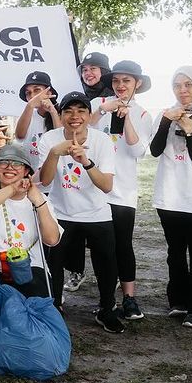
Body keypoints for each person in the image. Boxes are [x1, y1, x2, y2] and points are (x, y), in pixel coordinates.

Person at [36, 91, 124, 333]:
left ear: (88, 114)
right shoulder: (50, 139)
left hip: (96, 212)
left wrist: (86, 161)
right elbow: (44, 181)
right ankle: (55, 306)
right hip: (60, 211)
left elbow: (106, 185)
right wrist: (55, 153)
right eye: (68, 111)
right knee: (53, 261)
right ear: (61, 114)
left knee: (106, 261)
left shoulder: (101, 141)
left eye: (81, 111)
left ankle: (107, 308)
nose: (74, 116)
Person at [150, 67, 192, 329]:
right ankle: (178, 300)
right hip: (169, 197)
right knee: (175, 253)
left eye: (188, 84)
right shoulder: (165, 115)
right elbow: (156, 150)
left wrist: (190, 131)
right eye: (177, 85)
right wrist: (167, 121)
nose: (183, 90)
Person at [94, 60, 154, 321]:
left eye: (126, 81)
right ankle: (105, 299)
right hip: (96, 188)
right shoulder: (101, 106)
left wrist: (127, 117)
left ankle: (129, 298)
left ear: (137, 84)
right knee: (101, 248)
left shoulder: (142, 114)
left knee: (123, 245)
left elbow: (138, 150)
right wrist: (103, 110)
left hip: (124, 191)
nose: (120, 86)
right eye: (116, 81)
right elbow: (81, 128)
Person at [0, 143, 62, 299]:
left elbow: (52, 239)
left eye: (17, 163)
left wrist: (38, 200)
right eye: (4, 162)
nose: (10, 167)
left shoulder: (40, 200)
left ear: (26, 171)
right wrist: (13, 188)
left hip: (30, 268)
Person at [14, 71, 61, 173]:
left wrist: (53, 111)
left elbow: (61, 140)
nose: (32, 96)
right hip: (31, 176)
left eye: (37, 90)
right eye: (28, 93)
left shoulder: (63, 113)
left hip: (57, 178)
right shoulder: (28, 114)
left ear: (49, 93)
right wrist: (30, 106)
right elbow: (19, 136)